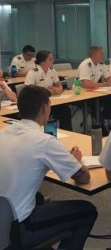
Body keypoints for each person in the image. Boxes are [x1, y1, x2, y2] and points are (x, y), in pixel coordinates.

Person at [0, 85, 97, 250]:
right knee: (88, 211)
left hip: (3, 217)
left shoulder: (4, 132)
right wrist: (77, 161)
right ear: (45, 108)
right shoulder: (44, 141)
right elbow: (83, 178)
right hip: (18, 227)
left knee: (38, 198)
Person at [25, 50, 72, 131]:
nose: (53, 61)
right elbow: (28, 91)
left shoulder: (52, 70)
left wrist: (59, 89)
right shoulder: (33, 72)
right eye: (50, 59)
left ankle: (68, 133)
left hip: (51, 101)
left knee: (65, 110)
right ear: (43, 62)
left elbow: (59, 85)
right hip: (38, 105)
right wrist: (45, 91)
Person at [78, 46, 111, 134]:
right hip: (81, 94)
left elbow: (108, 79)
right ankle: (101, 126)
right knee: (95, 103)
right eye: (101, 54)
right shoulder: (85, 65)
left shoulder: (101, 64)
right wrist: (104, 84)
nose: (103, 55)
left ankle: (102, 120)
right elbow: (87, 84)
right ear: (94, 55)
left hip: (94, 91)